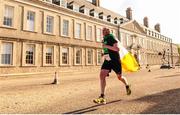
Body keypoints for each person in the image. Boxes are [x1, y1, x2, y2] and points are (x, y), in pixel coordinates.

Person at [93, 28, 131, 104]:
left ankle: (127, 85)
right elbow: (107, 49)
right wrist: (104, 53)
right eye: (102, 30)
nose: (103, 32)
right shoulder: (104, 39)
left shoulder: (111, 37)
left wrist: (106, 46)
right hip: (107, 60)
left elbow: (117, 49)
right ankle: (102, 96)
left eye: (105, 30)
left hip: (115, 60)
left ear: (108, 31)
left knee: (119, 77)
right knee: (102, 75)